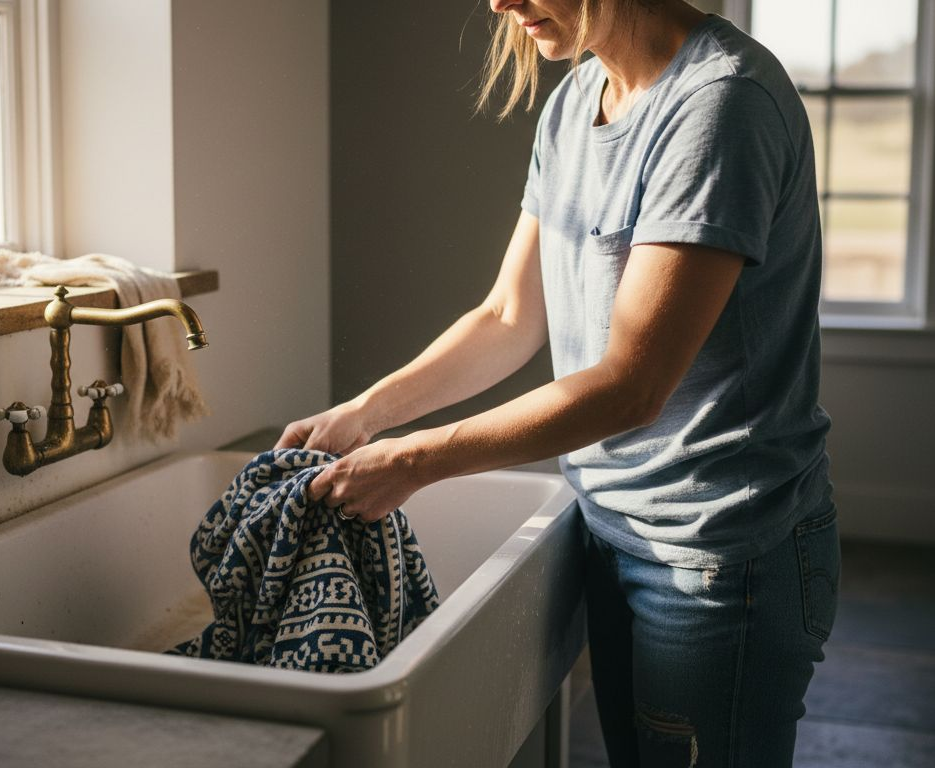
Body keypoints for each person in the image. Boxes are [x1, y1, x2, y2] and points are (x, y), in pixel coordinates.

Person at [275, 0, 839, 765]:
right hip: (611, 526)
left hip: (715, 557)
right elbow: (509, 315)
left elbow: (629, 388)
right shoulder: (577, 101)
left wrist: (414, 460)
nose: (499, 2)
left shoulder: (721, 105)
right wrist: (365, 413)